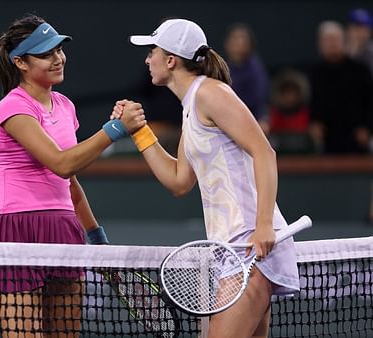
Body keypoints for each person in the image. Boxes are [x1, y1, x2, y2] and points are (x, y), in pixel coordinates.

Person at [113, 18, 299, 338]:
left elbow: (264, 152)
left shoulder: (211, 94)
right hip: (233, 250)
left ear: (170, 60)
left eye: (152, 51)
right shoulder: (191, 108)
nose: (147, 59)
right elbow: (179, 181)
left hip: (250, 246)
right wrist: (140, 133)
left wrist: (265, 225)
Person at [0, 14, 145, 338]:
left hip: (64, 228)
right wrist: (114, 130)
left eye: (58, 49)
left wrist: (97, 238)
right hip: (16, 230)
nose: (58, 58)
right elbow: (62, 163)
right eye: (45, 53)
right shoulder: (13, 108)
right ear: (20, 63)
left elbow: (69, 184)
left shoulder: (66, 107)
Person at [309, 21, 373, 154]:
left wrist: (367, 127)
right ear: (320, 44)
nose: (331, 44)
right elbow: (313, 101)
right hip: (328, 136)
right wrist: (315, 122)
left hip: (356, 134)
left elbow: (369, 100)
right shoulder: (316, 72)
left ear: (344, 41)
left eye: (335, 40)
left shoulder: (359, 70)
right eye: (327, 40)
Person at [224, 23, 270, 134]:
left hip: (251, 119)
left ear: (250, 45)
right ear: (227, 44)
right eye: (235, 39)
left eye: (242, 39)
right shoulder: (221, 67)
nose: (238, 43)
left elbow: (260, 100)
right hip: (225, 118)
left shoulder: (256, 69)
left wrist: (262, 120)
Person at [268, 68, 315, 154]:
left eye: (292, 93)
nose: (289, 97)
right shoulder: (273, 115)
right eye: (285, 93)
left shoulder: (306, 114)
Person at [345, 8, 373, 75]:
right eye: (356, 27)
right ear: (349, 29)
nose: (360, 33)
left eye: (364, 28)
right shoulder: (341, 52)